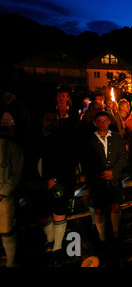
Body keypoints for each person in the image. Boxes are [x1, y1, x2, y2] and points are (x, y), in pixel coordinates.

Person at [26, 109, 77, 265]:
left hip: (59, 182)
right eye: (48, 119)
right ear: (42, 120)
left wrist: (55, 179)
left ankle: (57, 248)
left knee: (58, 211)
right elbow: (27, 160)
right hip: (37, 183)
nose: (51, 122)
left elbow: (70, 162)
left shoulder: (64, 138)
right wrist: (30, 181)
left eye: (55, 119)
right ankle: (51, 238)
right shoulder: (34, 139)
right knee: (41, 213)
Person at [80, 111, 127, 245]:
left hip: (114, 178)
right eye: (99, 121)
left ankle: (116, 233)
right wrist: (99, 173)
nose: (102, 123)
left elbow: (122, 156)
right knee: (99, 208)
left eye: (105, 120)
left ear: (109, 122)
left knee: (115, 206)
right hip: (97, 180)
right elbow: (86, 161)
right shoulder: (89, 140)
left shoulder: (117, 137)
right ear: (95, 122)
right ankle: (102, 236)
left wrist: (114, 171)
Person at [0, 137, 23, 267]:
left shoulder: (11, 147)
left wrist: (4, 191)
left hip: (4, 197)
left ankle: (10, 262)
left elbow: (16, 172)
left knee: (7, 230)